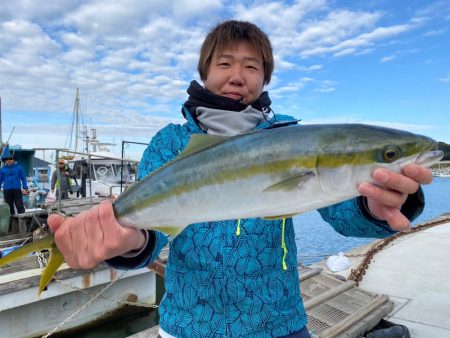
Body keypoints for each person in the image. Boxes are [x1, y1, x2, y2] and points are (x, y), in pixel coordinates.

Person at [48, 20, 433, 337]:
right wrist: (125, 240)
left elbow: (340, 210)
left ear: (265, 78)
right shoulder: (171, 142)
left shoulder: (286, 134)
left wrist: (373, 205)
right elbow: (151, 233)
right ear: (205, 72)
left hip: (279, 322)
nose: (237, 76)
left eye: (251, 67)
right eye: (225, 64)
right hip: (190, 325)